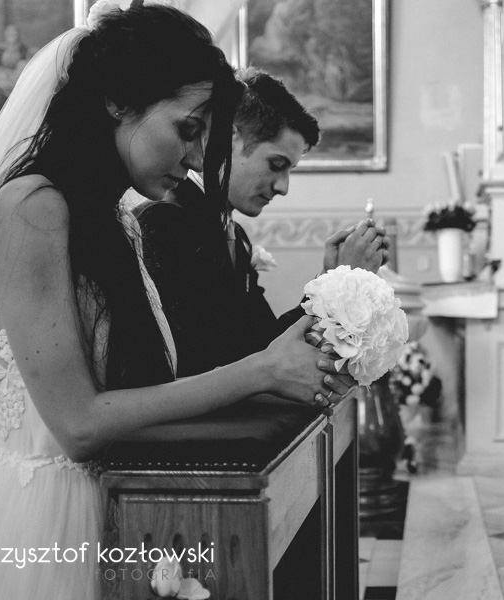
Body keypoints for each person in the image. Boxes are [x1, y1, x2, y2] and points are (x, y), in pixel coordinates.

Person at [0, 3, 354, 598]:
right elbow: (77, 425)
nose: (195, 160)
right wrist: (263, 369)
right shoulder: (31, 207)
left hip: (125, 499)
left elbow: (152, 381)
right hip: (45, 519)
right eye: (188, 130)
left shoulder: (115, 219)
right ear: (119, 102)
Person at [136, 69, 389, 378]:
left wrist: (331, 279)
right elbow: (206, 365)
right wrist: (343, 285)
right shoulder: (166, 222)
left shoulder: (235, 234)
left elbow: (264, 344)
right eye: (276, 164)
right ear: (229, 136)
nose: (283, 187)